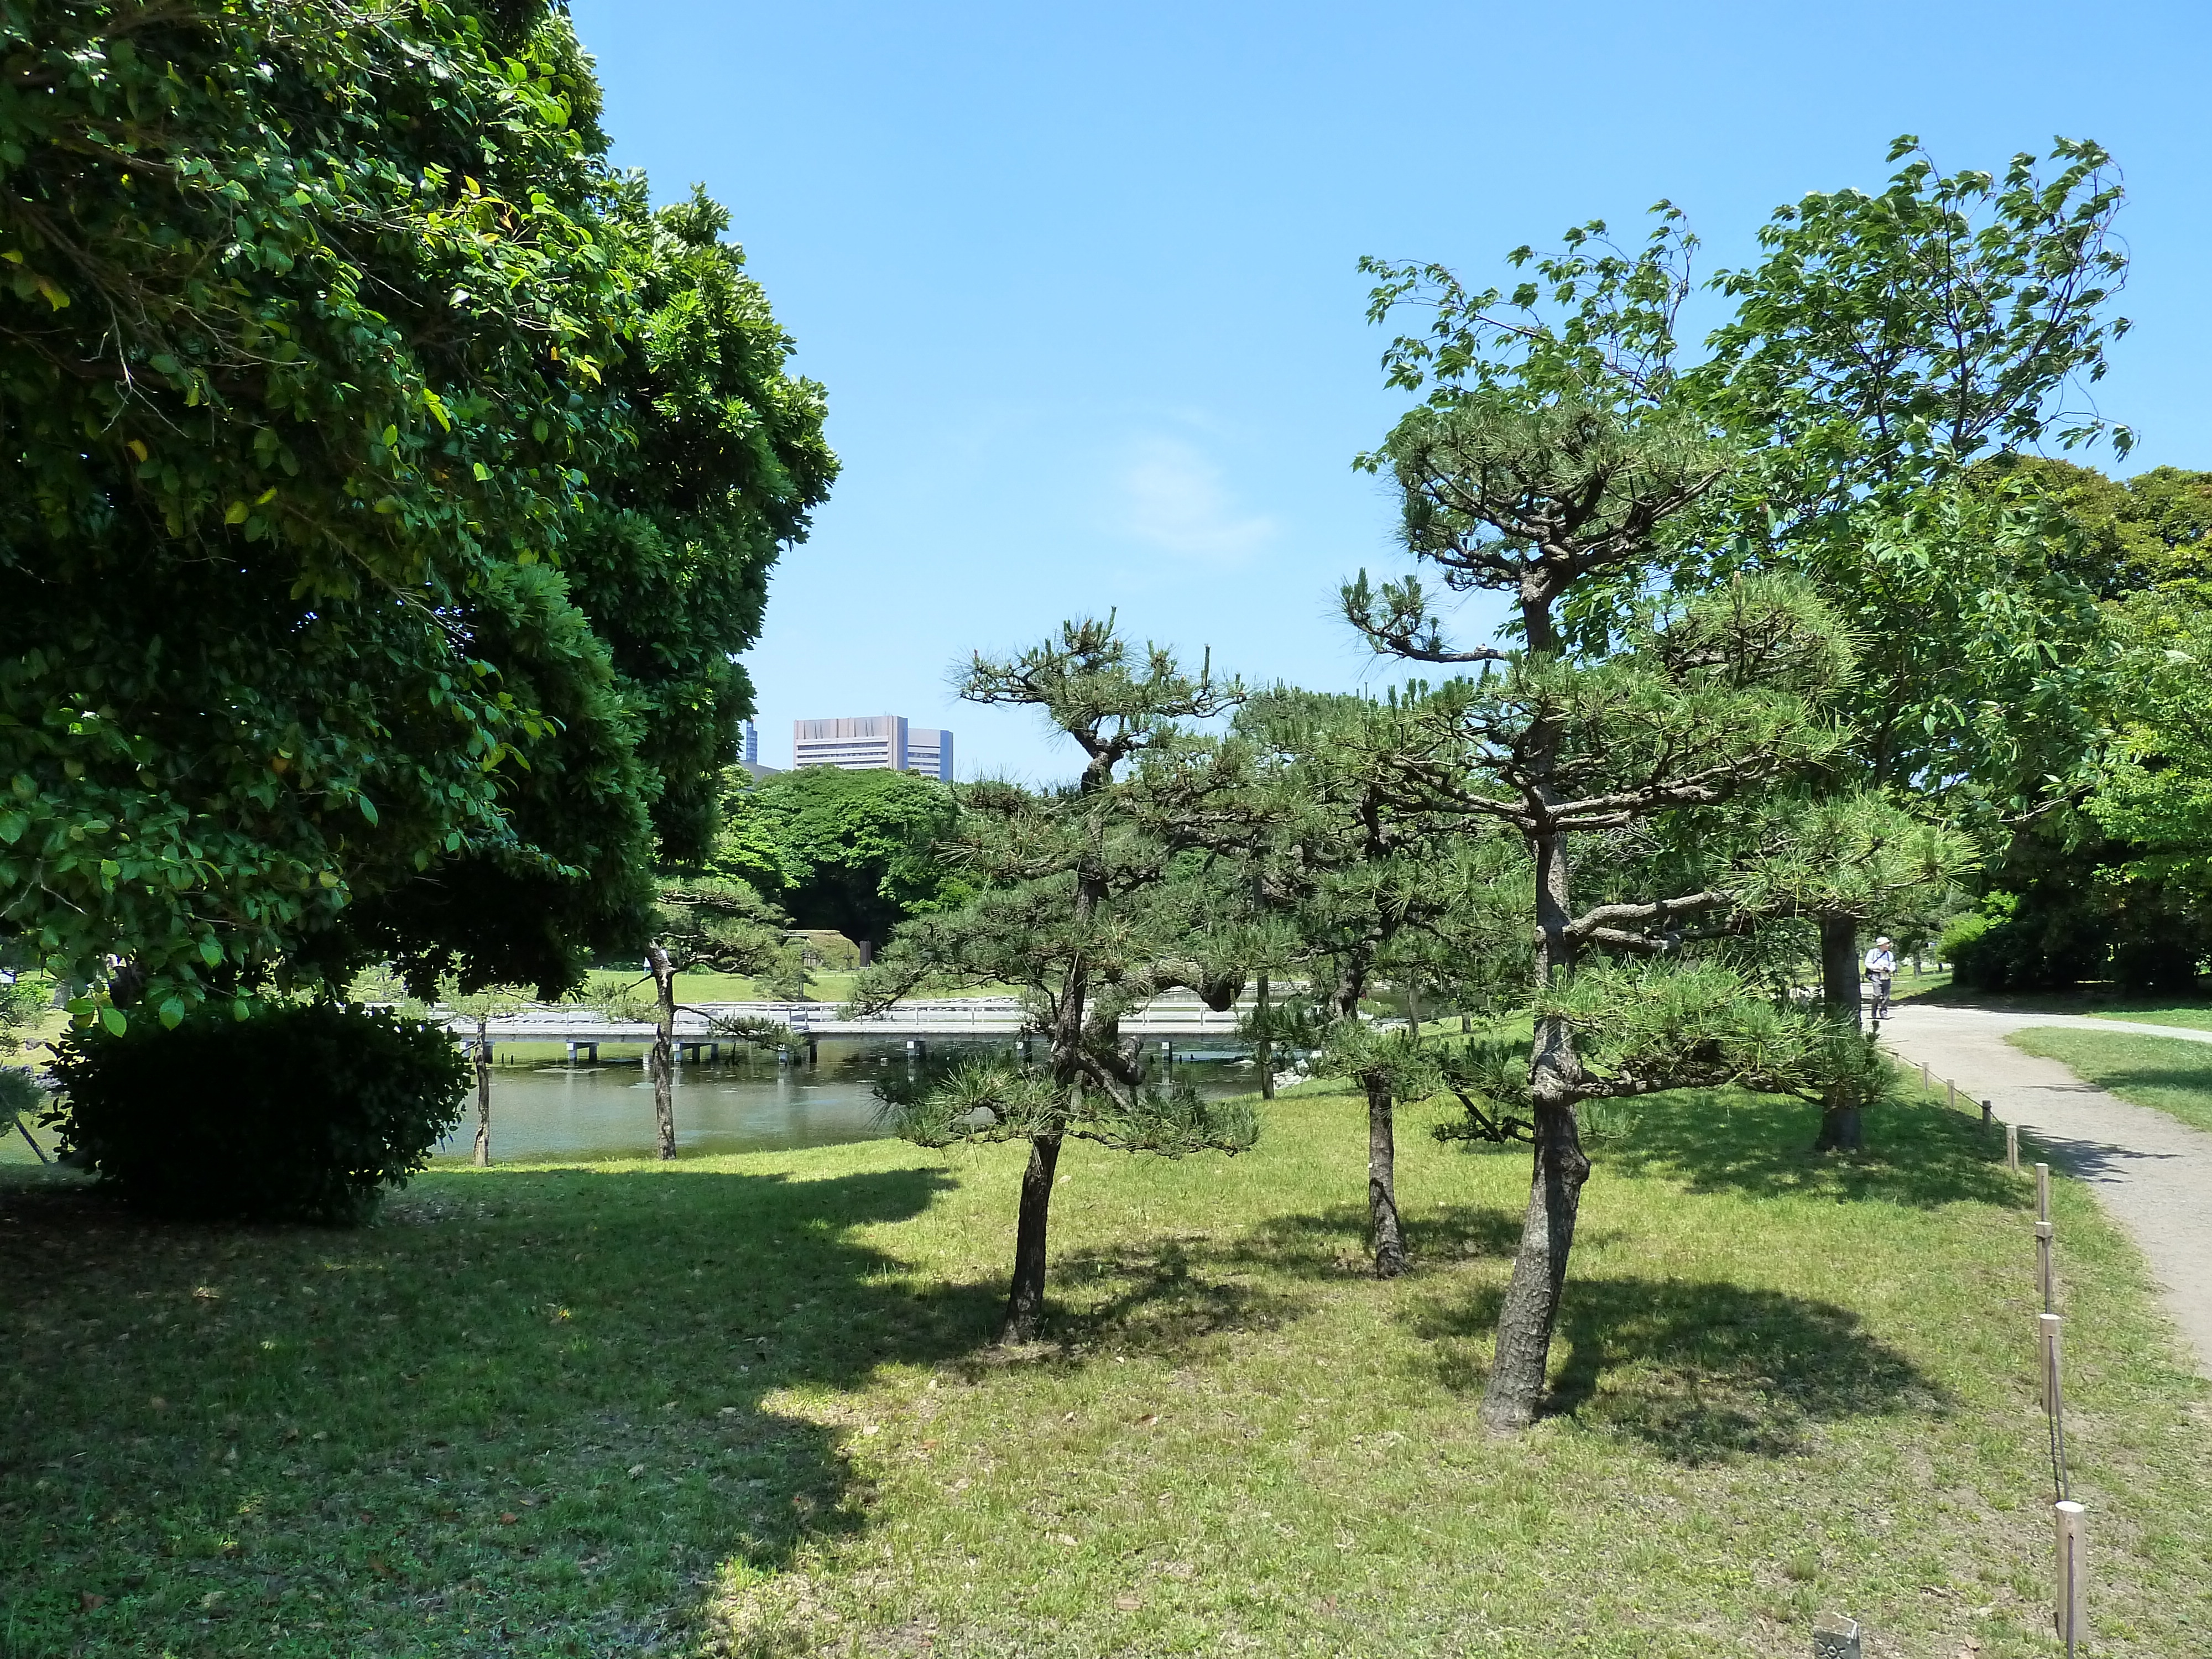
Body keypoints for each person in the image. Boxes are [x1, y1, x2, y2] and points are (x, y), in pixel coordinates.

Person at [1863, 935, 1897, 1021]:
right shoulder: (1873, 953)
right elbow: (1868, 963)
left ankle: (1883, 1012)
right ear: (1881, 945)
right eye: (1887, 944)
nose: (1889, 945)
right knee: (1877, 994)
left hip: (1886, 975)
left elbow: (1893, 964)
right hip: (1876, 975)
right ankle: (1874, 1010)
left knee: (1887, 995)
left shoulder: (1889, 954)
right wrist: (1878, 968)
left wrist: (1890, 970)